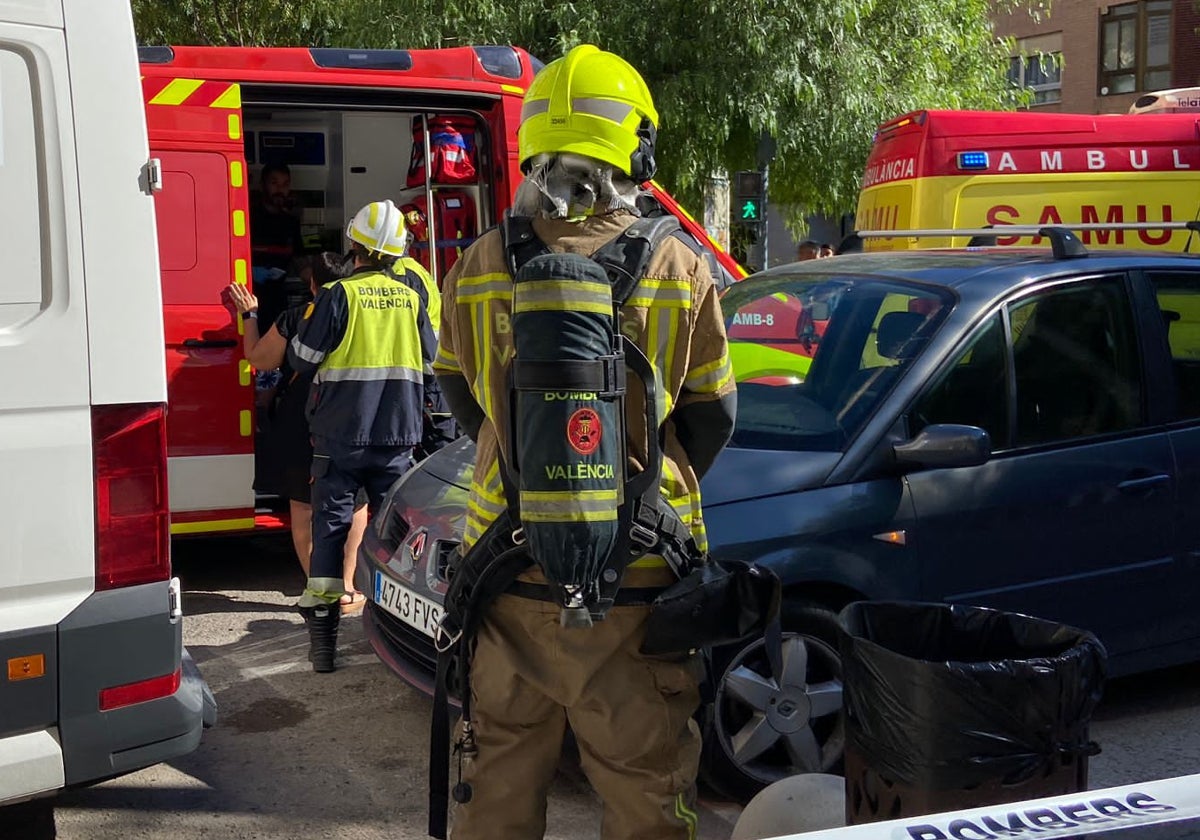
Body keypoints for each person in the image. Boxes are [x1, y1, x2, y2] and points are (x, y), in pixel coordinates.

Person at [433, 44, 736, 839]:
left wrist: (518, 460)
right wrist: (635, 486)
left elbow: (458, 395)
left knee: (495, 790)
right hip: (637, 587)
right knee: (646, 796)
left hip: (505, 574)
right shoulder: (679, 263)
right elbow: (712, 412)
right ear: (632, 147)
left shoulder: (476, 265)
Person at [287, 200, 436, 672]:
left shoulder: (338, 295)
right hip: (398, 436)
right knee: (399, 534)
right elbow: (431, 361)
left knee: (329, 531)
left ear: (355, 245)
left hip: (340, 438)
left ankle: (325, 644)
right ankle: (402, 635)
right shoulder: (412, 298)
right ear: (398, 252)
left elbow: (303, 357)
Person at [225, 256, 370, 608]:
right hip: (354, 415)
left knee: (304, 507)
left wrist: (250, 316)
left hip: (302, 418)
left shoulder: (299, 316)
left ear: (311, 285)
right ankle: (348, 586)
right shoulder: (364, 315)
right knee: (356, 501)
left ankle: (320, 589)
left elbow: (259, 359)